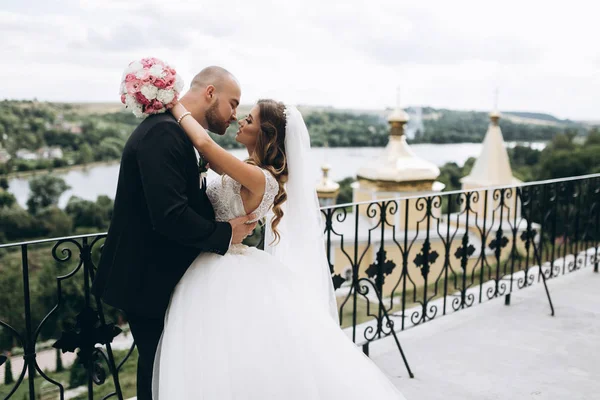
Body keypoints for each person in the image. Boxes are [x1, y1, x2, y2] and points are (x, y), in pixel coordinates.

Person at [152, 99, 408, 399]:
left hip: (222, 267)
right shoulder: (247, 170)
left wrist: (175, 106)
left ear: (267, 133)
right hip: (215, 257)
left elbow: (206, 145)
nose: (241, 122)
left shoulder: (262, 178)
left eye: (249, 119)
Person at [91, 67, 257, 400]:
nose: (235, 115)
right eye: (233, 103)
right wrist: (225, 233)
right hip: (147, 279)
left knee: (170, 367)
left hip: (159, 276)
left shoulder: (174, 131)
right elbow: (170, 215)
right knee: (157, 369)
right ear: (210, 93)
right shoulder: (163, 134)